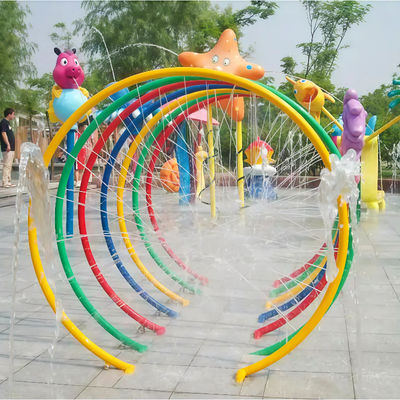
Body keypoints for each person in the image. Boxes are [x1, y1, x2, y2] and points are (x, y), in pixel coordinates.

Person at [1, 108, 16, 187]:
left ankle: (8, 181)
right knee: (6, 165)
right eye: (13, 114)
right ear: (9, 114)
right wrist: (8, 144)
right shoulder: (3, 122)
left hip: (11, 148)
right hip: (7, 147)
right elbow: (3, 133)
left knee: (9, 165)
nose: (14, 116)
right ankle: (5, 182)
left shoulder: (8, 123)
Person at [75, 120, 88, 187]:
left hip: (83, 151)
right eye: (84, 127)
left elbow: (86, 143)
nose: (85, 129)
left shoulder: (84, 135)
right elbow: (74, 143)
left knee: (82, 167)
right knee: (77, 167)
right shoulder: (76, 134)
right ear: (80, 127)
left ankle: (80, 180)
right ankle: (77, 181)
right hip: (77, 151)